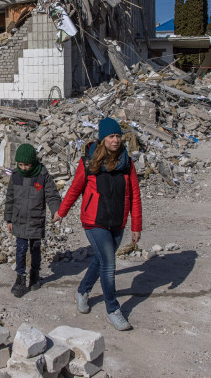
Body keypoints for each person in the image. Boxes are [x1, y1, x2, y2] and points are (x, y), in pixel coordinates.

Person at [52, 118, 142, 331]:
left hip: (118, 221)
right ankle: (113, 310)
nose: (116, 140)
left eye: (118, 136)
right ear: (103, 139)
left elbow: (135, 195)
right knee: (109, 264)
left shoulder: (126, 163)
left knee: (102, 260)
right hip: (94, 221)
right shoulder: (89, 162)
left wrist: (136, 225)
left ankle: (82, 291)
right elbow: (74, 189)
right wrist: (61, 212)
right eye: (111, 136)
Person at [4, 143, 61, 298]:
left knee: (35, 249)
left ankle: (34, 275)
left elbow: (52, 194)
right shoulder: (15, 176)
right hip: (19, 220)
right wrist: (8, 219)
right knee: (21, 249)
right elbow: (10, 198)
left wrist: (56, 210)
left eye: (27, 165)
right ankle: (20, 278)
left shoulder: (42, 175)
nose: (23, 168)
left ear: (33, 162)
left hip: (36, 219)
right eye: (20, 165)